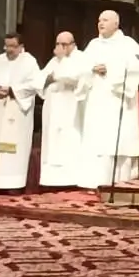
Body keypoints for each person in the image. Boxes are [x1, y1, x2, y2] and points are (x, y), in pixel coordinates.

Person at [76, 10, 139, 189]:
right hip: (96, 98)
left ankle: (119, 180)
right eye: (99, 20)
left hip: (116, 99)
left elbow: (134, 69)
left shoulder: (128, 45)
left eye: (105, 20)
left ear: (116, 24)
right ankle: (93, 181)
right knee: (96, 140)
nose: (100, 23)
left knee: (115, 141)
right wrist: (91, 68)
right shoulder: (93, 44)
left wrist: (110, 71)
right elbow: (81, 67)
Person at [0, 33, 43, 193]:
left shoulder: (29, 62)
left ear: (21, 46)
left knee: (15, 148)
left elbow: (35, 84)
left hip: (17, 111)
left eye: (12, 46)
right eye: (6, 46)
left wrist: (12, 90)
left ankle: (15, 184)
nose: (8, 50)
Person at [38, 32, 86, 189]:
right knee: (52, 140)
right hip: (52, 106)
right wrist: (49, 79)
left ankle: (69, 180)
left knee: (68, 139)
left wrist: (56, 73)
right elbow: (41, 79)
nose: (59, 48)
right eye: (57, 44)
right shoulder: (54, 60)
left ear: (72, 44)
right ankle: (51, 181)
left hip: (69, 105)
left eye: (64, 45)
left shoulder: (79, 58)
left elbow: (73, 76)